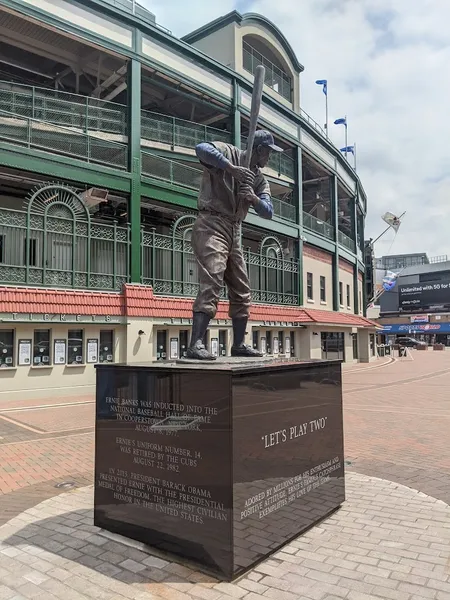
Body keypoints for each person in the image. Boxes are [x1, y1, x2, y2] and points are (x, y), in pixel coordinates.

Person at [186, 130, 283, 360]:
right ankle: (195, 343)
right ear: (258, 149)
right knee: (213, 279)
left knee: (242, 289)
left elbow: (268, 211)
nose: (269, 158)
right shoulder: (230, 152)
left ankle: (239, 343)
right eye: (268, 152)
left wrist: (253, 198)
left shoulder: (259, 179)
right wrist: (231, 169)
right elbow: (201, 148)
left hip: (235, 229)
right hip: (212, 222)